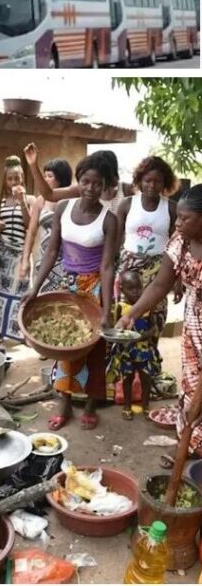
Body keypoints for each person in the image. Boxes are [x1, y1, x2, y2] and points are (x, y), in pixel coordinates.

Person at [23, 151, 119, 431]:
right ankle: (63, 402)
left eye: (97, 184)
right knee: (64, 346)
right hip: (68, 285)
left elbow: (107, 265)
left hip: (95, 286)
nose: (91, 188)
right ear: (79, 181)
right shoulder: (63, 208)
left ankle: (91, 404)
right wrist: (35, 287)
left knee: (96, 349)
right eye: (86, 181)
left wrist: (107, 306)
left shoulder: (108, 220)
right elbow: (52, 251)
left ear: (105, 186)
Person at [118, 185, 202, 451]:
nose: (178, 223)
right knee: (192, 384)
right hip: (194, 320)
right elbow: (159, 285)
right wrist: (131, 314)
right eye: (178, 216)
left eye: (185, 218)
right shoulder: (181, 240)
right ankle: (191, 445)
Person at [111, 155, 177, 396]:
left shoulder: (170, 208)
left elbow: (176, 244)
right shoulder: (128, 204)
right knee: (126, 319)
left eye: (157, 181)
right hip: (128, 270)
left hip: (159, 271)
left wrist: (176, 280)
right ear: (139, 180)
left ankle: (149, 371)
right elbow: (116, 240)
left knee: (154, 321)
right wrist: (109, 270)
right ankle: (125, 372)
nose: (151, 186)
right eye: (147, 180)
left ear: (164, 183)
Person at [0, 156, 34, 343]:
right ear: (5, 181)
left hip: (21, 255)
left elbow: (30, 225)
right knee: (0, 294)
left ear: (22, 179)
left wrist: (21, 201)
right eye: (10, 178)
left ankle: (22, 333)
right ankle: (0, 333)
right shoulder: (0, 203)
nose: (13, 182)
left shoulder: (29, 200)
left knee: (21, 294)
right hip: (3, 256)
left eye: (17, 178)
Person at [108, 269, 162, 419]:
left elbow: (153, 328)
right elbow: (115, 329)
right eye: (131, 289)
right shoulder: (120, 308)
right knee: (127, 378)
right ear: (122, 289)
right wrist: (124, 337)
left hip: (144, 349)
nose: (136, 292)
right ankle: (127, 406)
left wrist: (141, 336)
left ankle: (145, 406)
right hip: (127, 350)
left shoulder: (147, 306)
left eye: (139, 287)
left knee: (146, 378)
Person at [19, 157, 73, 292]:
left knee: (64, 300)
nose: (46, 179)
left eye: (50, 176)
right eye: (45, 176)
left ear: (61, 178)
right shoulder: (41, 201)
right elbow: (31, 232)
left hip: (67, 260)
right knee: (42, 300)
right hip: (43, 260)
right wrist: (25, 260)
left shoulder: (72, 200)